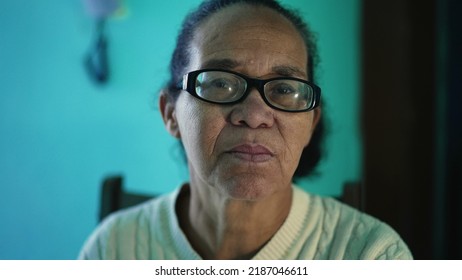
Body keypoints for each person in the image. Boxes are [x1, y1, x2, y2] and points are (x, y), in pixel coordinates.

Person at [79, 0, 412, 260]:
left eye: (284, 89)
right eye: (220, 83)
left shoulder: (371, 256)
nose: (255, 115)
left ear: (311, 122)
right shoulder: (114, 249)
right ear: (170, 114)